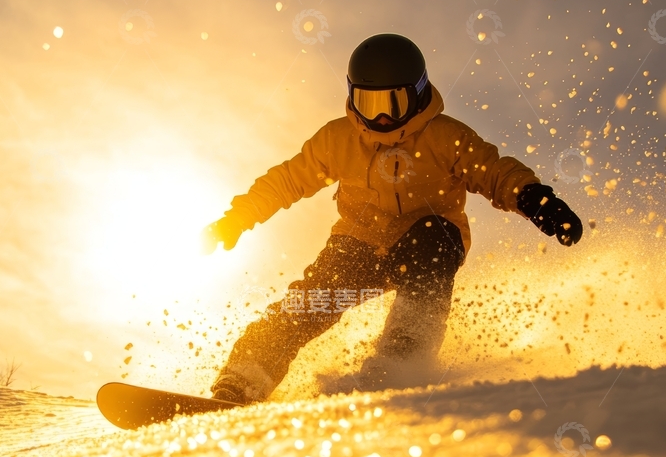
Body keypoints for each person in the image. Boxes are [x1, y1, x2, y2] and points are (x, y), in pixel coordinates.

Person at [201, 33, 582, 404]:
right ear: (352, 97)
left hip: (427, 238)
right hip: (359, 242)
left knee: (431, 243)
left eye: (394, 103)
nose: (382, 118)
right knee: (311, 301)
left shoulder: (444, 136)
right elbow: (286, 181)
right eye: (369, 103)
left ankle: (400, 361)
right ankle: (245, 377)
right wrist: (237, 218)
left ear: (416, 96)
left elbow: (493, 172)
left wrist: (536, 201)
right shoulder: (338, 139)